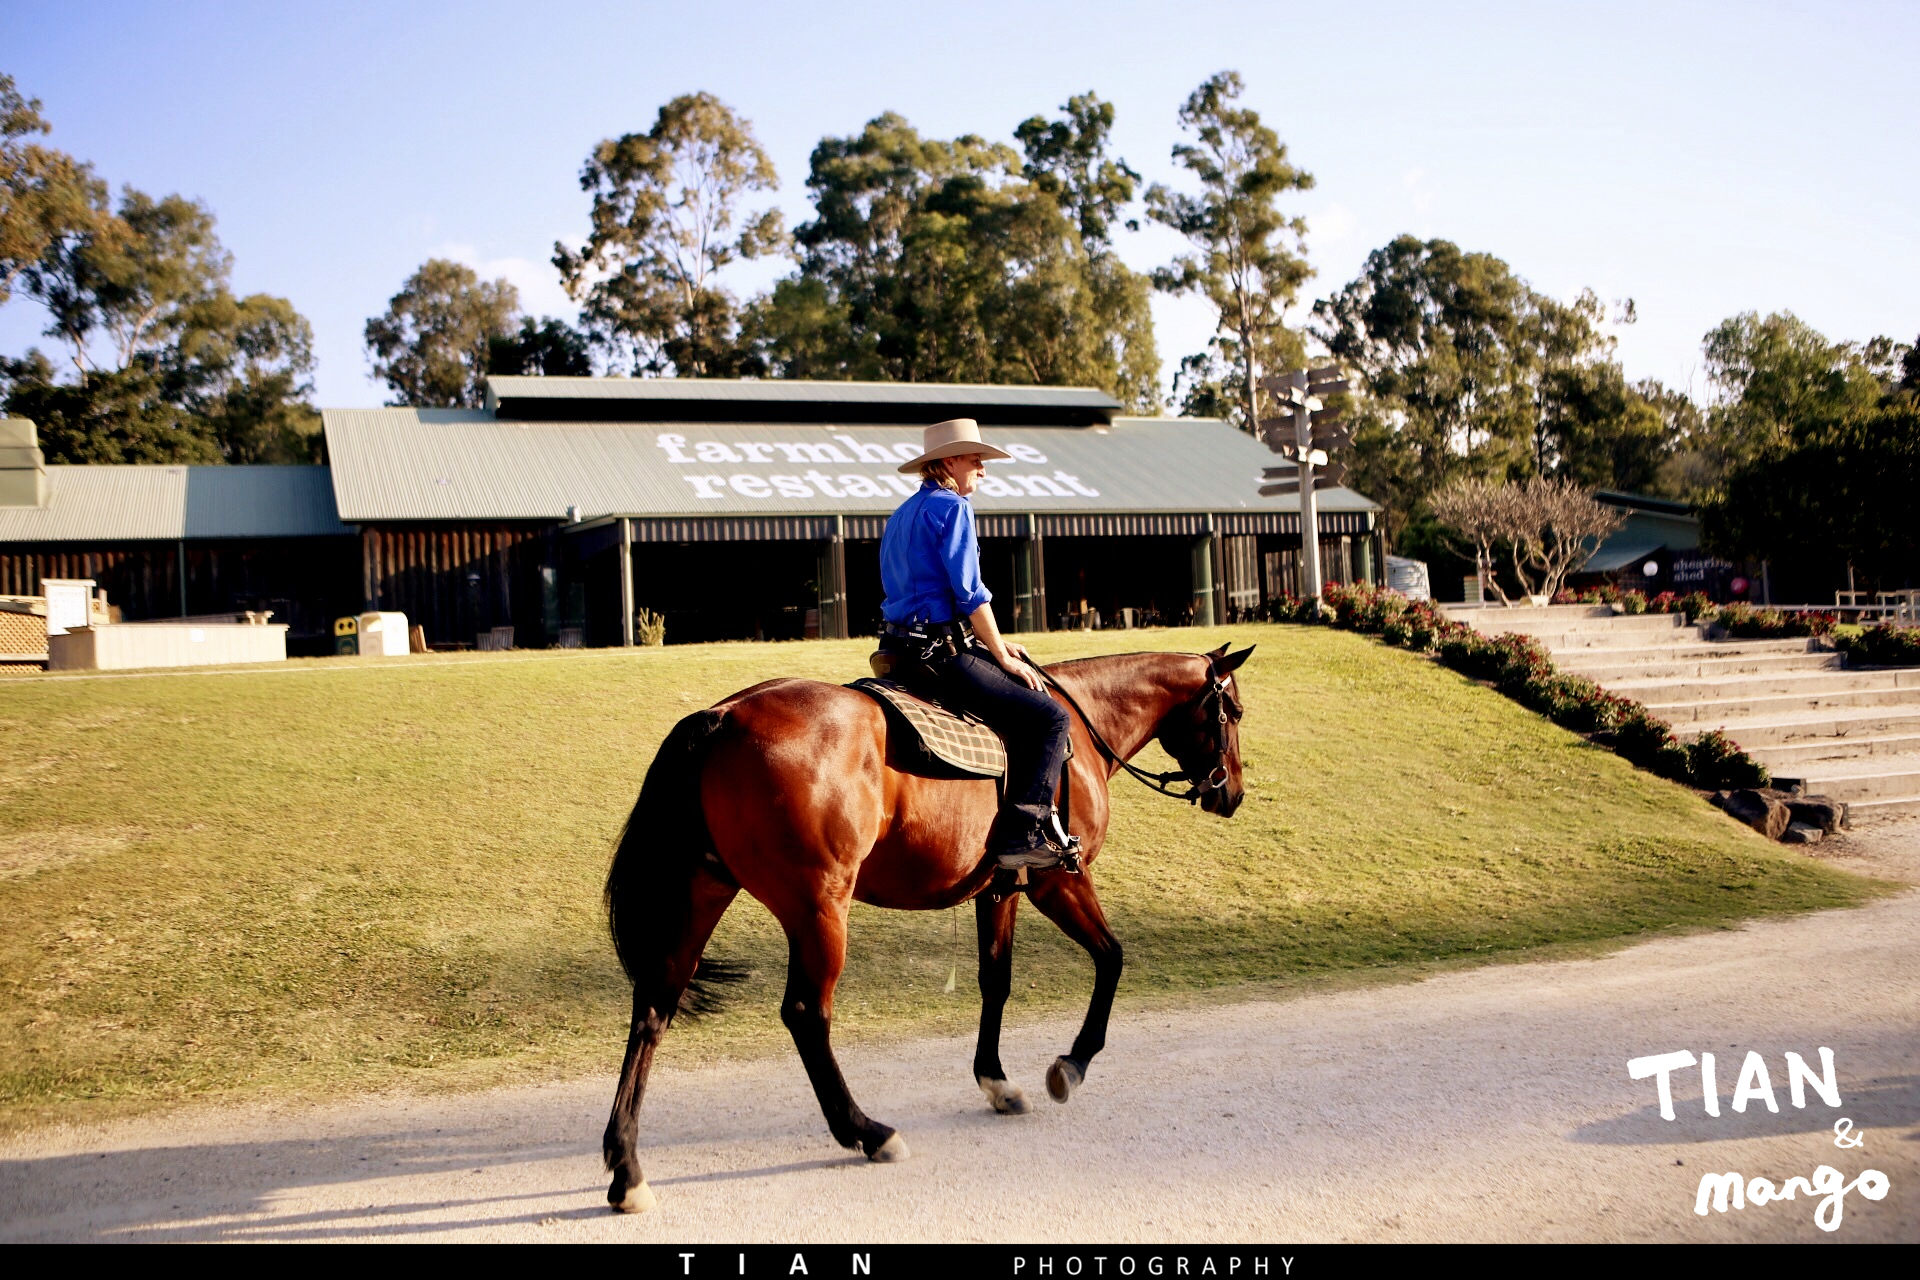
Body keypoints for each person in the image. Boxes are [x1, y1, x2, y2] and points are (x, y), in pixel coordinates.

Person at [876, 418, 1077, 871]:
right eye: (975, 459)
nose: (983, 469)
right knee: (1051, 717)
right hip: (938, 655)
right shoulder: (953, 509)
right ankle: (1021, 835)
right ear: (948, 461)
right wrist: (1002, 654)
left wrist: (1000, 643)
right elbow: (970, 594)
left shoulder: (902, 513)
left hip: (896, 651)